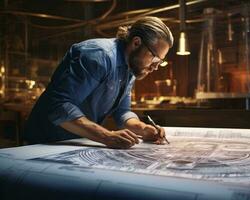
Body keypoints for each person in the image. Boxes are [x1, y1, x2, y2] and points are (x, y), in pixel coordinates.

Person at [24, 16, 173, 149]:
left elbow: (122, 111)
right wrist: (105, 136)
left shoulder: (131, 68)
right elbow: (58, 106)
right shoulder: (98, 56)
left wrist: (142, 128)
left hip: (77, 142)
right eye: (154, 58)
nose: (155, 67)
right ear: (136, 42)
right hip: (45, 142)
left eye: (160, 61)